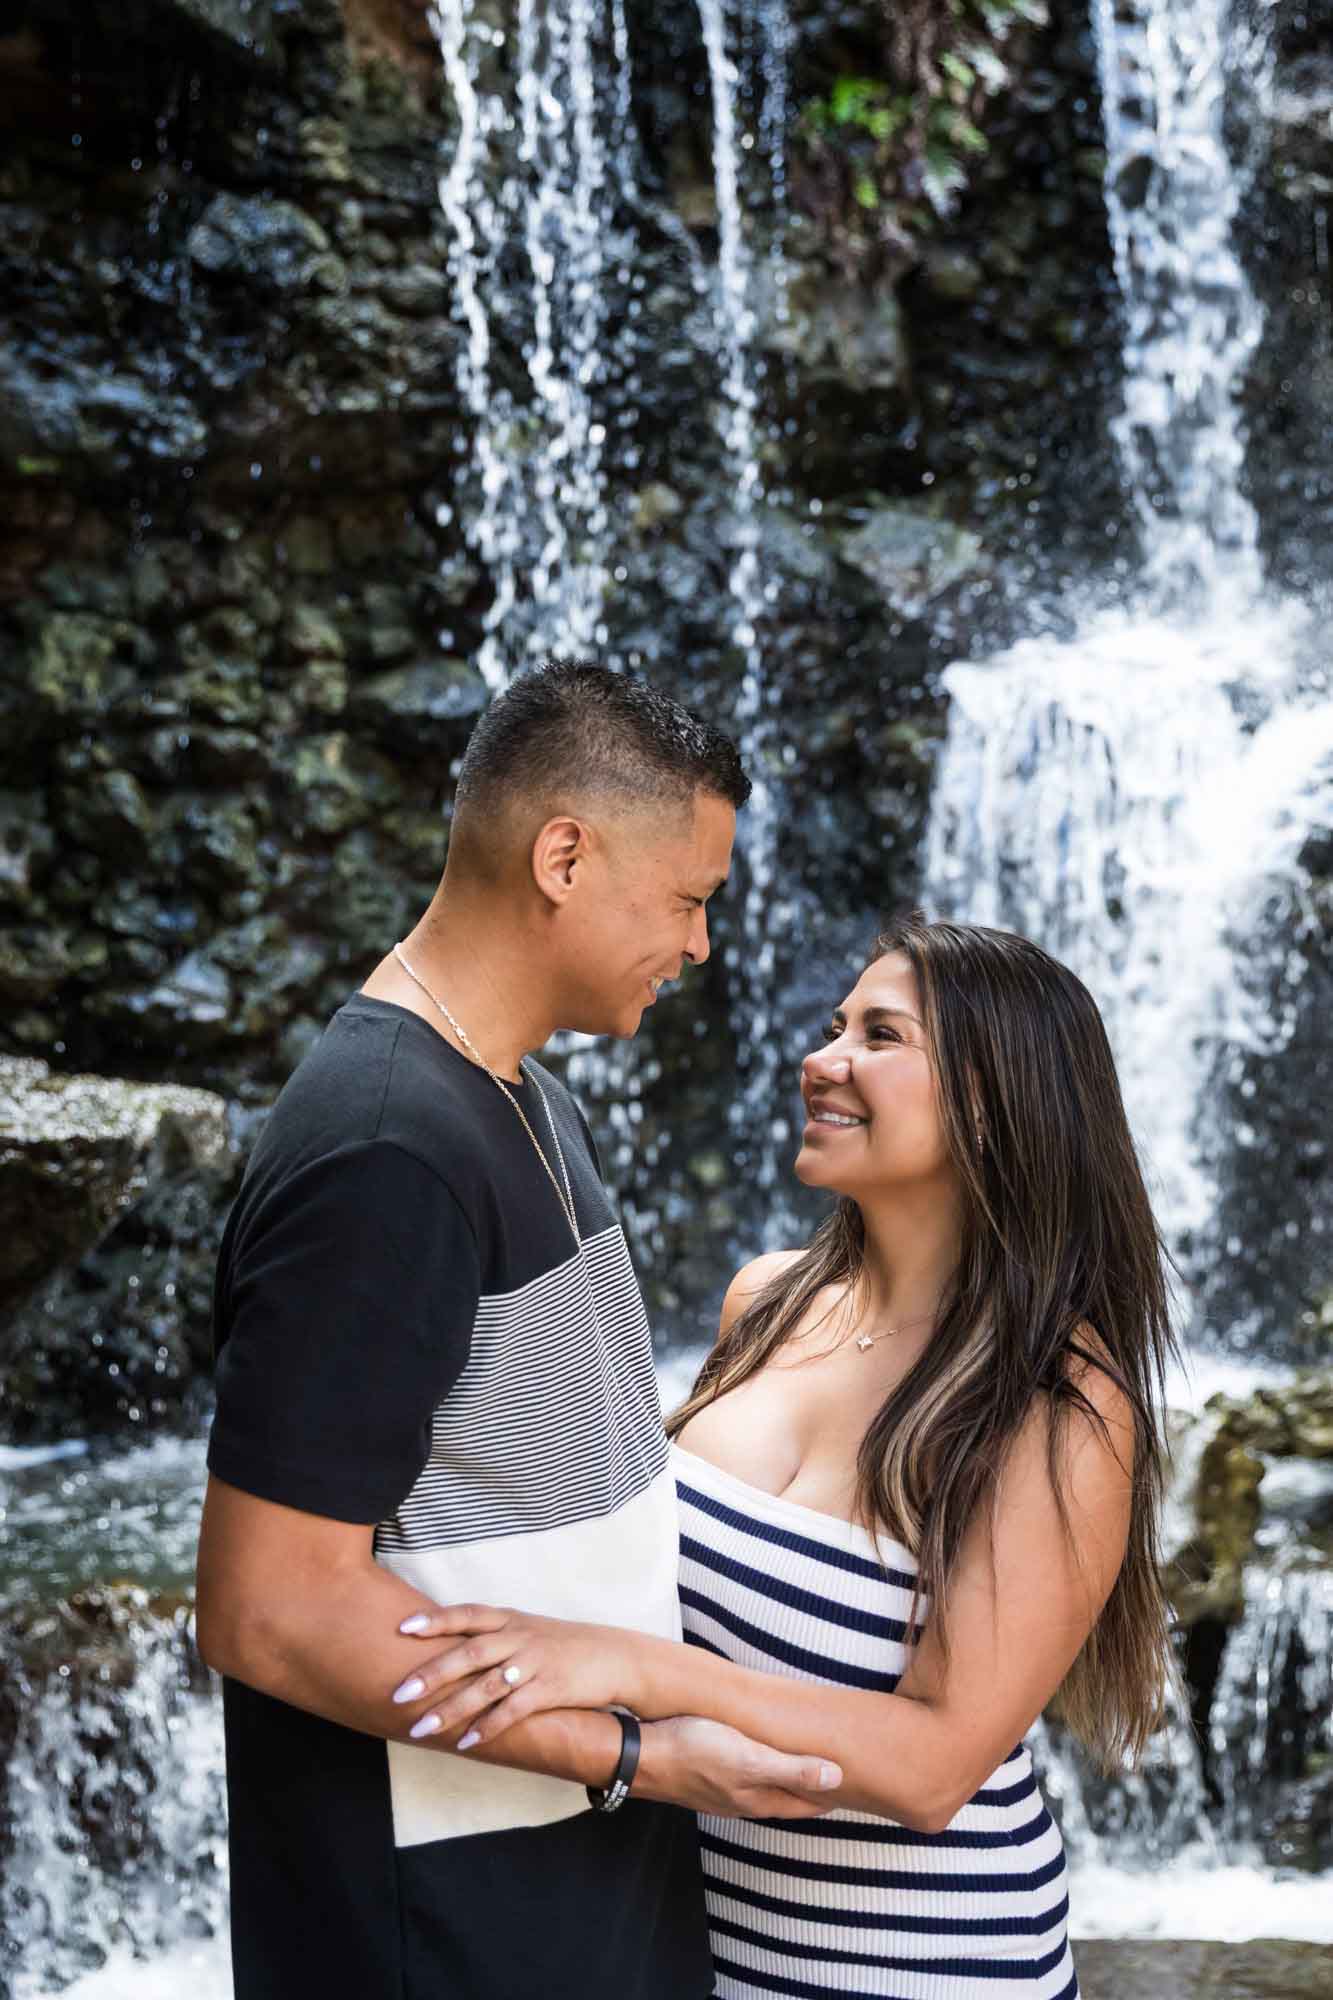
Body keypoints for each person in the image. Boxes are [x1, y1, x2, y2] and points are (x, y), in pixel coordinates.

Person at [194, 662, 847, 2000]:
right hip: (435, 1930)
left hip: (575, 1898)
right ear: (563, 855)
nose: (700, 945)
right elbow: (267, 1607)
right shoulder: (385, 1152)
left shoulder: (529, 1099)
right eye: (687, 900)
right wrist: (635, 1755)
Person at [385, 918, 1180, 2000]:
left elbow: (934, 1767)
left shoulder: (1053, 1394)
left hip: (928, 1969)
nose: (822, 1058)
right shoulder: (766, 1298)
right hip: (694, 1953)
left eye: (881, 1034)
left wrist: (632, 1672)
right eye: (832, 1024)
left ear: (994, 1104)